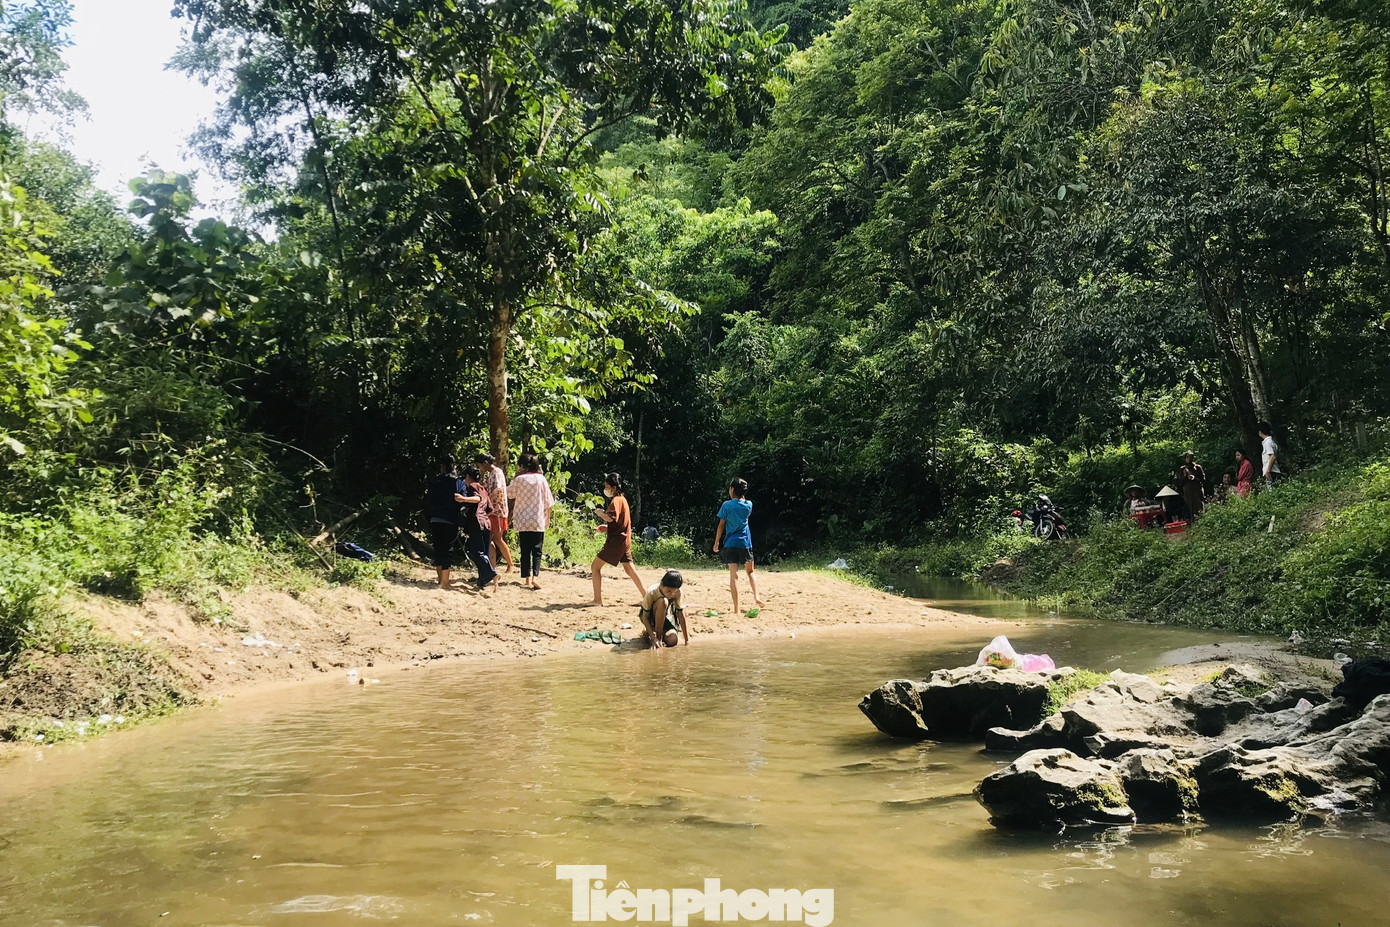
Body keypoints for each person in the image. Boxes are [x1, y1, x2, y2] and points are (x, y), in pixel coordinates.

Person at [590, 472, 645, 605]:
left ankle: (597, 600)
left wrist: (599, 513)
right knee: (629, 568)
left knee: (595, 567)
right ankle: (647, 597)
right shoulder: (623, 499)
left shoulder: (616, 501)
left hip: (616, 541)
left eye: (607, 486)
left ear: (613, 488)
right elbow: (620, 522)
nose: (605, 489)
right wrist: (607, 527)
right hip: (624, 540)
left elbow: (610, 517)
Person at [713, 478, 764, 613]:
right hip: (745, 542)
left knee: (733, 576)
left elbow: (721, 526)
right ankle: (756, 596)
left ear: (732, 490)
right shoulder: (749, 505)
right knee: (750, 571)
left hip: (730, 543)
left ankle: (736, 608)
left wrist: (717, 541)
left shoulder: (727, 505)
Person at [509, 452, 554, 591]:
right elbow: (549, 501)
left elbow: (510, 493)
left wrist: (514, 477)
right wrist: (548, 517)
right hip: (537, 519)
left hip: (522, 519)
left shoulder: (519, 479)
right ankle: (535, 577)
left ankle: (527, 579)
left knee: (525, 549)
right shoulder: (541, 479)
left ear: (522, 466)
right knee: (537, 550)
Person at [424, 455, 468, 590]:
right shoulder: (459, 482)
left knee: (438, 548)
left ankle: (439, 579)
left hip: (436, 518)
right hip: (451, 519)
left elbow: (429, 499)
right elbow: (463, 501)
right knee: (448, 549)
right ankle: (445, 582)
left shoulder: (435, 481)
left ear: (442, 466)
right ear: (454, 465)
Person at [476, 452, 515, 574]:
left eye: (479, 466)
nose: (479, 469)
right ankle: (492, 567)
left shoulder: (496, 473)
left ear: (485, 463)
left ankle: (510, 564)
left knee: (497, 538)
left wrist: (486, 500)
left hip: (497, 510)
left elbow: (497, 490)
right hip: (493, 511)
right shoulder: (491, 474)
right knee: (492, 539)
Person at [461, 466, 498, 591]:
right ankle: (482, 582)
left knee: (477, 552)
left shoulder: (473, 487)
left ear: (467, 477)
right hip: (486, 523)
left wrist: (463, 499)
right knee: (484, 553)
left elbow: (477, 499)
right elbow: (490, 509)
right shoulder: (484, 489)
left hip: (477, 523)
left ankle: (492, 573)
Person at [638, 570, 690, 649]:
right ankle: (657, 637)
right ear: (662, 585)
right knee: (663, 602)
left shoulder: (678, 592)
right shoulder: (652, 592)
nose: (671, 594)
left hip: (663, 618)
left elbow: (680, 614)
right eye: (668, 591)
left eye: (674, 592)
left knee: (673, 640)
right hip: (649, 617)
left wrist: (687, 640)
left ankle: (653, 632)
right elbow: (645, 617)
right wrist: (655, 639)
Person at [1179, 451, 1207, 519]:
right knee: (1189, 508)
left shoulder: (1198, 468)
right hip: (1188, 492)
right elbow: (1180, 483)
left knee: (1199, 507)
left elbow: (1203, 479)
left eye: (1191, 457)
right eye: (1187, 457)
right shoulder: (1182, 469)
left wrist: (1194, 478)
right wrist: (1185, 476)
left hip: (1197, 491)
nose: (1189, 459)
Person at [1258, 421, 1282, 490]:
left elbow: (1272, 456)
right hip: (1274, 471)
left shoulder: (1267, 442)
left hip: (1272, 472)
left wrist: (1268, 471)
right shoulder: (1271, 442)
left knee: (1272, 492)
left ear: (1260, 432)